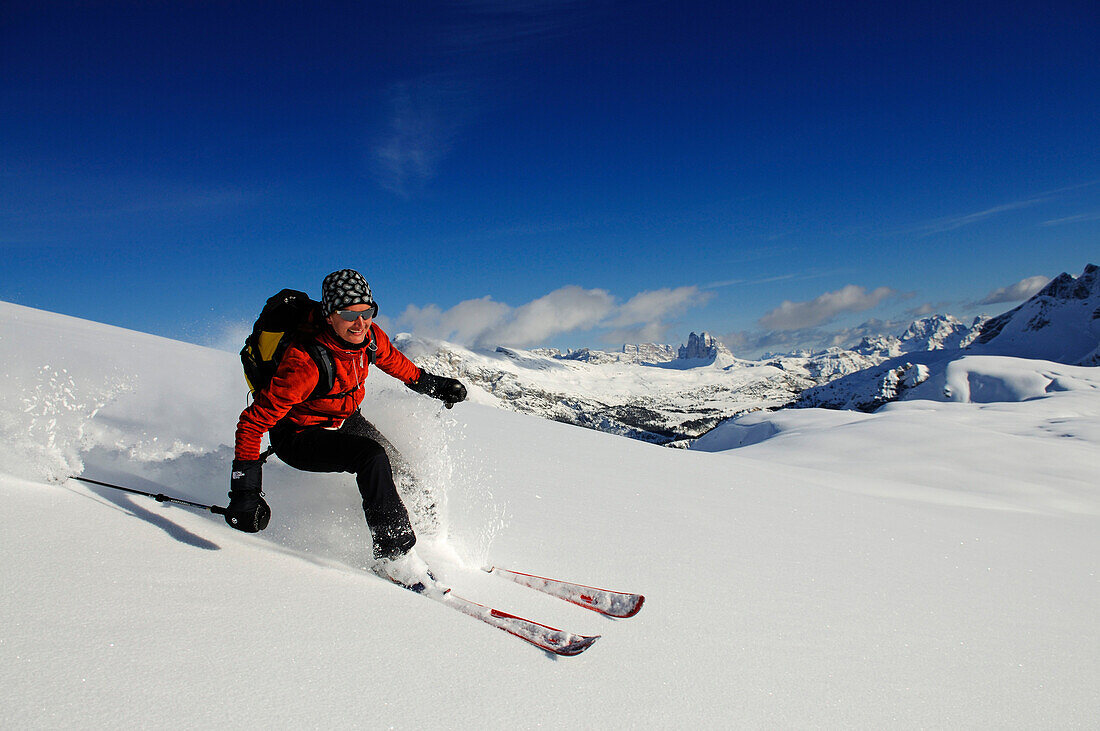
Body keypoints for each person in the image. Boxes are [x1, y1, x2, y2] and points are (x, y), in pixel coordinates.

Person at [227, 269, 467, 589]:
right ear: (329, 315)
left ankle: (432, 537)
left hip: (344, 418)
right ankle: (394, 559)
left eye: (367, 312)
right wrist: (245, 491)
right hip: (298, 435)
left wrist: (435, 386)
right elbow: (252, 423)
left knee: (398, 466)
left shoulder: (369, 338)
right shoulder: (305, 362)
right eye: (348, 314)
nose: (360, 322)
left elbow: (400, 366)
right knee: (370, 457)